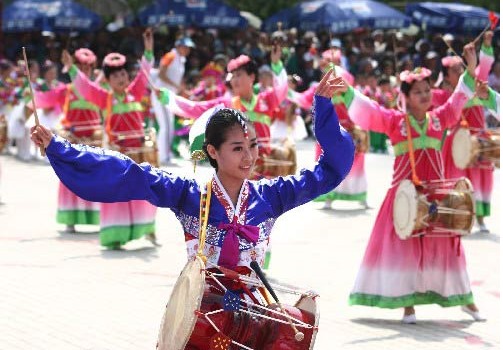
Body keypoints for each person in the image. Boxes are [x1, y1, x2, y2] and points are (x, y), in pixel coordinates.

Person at [30, 72, 354, 334]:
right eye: (238, 148)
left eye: (252, 146)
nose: (250, 157)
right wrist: (60, 148)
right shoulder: (189, 195)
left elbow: (329, 172)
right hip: (200, 316)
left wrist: (323, 109)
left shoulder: (270, 195)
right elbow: (130, 172)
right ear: (213, 152)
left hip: (253, 317)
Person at [341, 43, 489, 323]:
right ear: (406, 97)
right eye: (417, 92)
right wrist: (347, 91)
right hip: (404, 196)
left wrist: (471, 68)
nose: (424, 95)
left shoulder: (439, 118)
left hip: (436, 194)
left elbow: (459, 99)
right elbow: (370, 110)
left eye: (427, 90)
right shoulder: (395, 121)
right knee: (404, 247)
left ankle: (465, 299)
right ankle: (407, 305)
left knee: (450, 245)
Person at [60, 28, 158, 249]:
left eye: (123, 74)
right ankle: (115, 235)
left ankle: (148, 229)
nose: (121, 78)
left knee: (146, 192)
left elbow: (144, 73)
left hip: (139, 155)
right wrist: (72, 68)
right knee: (119, 196)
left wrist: (149, 50)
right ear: (108, 80)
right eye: (115, 76)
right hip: (119, 156)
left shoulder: (136, 91)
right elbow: (85, 87)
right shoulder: (105, 97)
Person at [432, 31, 499, 232]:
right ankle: (458, 215)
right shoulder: (444, 95)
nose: (460, 71)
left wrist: (486, 44)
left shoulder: (477, 87)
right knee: (457, 180)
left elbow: (484, 66)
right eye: (455, 70)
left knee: (480, 179)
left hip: (478, 140)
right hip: (456, 144)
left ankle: (480, 219)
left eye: (461, 67)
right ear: (447, 75)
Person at [34, 48, 102, 233]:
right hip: (72, 140)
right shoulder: (66, 90)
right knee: (71, 176)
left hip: (93, 141)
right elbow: (43, 99)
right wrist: (29, 91)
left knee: (96, 176)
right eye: (81, 67)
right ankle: (71, 218)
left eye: (88, 67)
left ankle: (97, 217)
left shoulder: (97, 90)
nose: (84, 70)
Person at [152, 36, 195, 165]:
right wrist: (177, 87)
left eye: (189, 47)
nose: (187, 49)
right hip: (161, 94)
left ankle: (167, 154)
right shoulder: (170, 55)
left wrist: (182, 90)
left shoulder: (181, 60)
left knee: (170, 125)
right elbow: (161, 74)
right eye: (185, 47)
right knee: (165, 125)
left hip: (170, 96)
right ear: (179, 46)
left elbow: (176, 79)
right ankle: (162, 157)